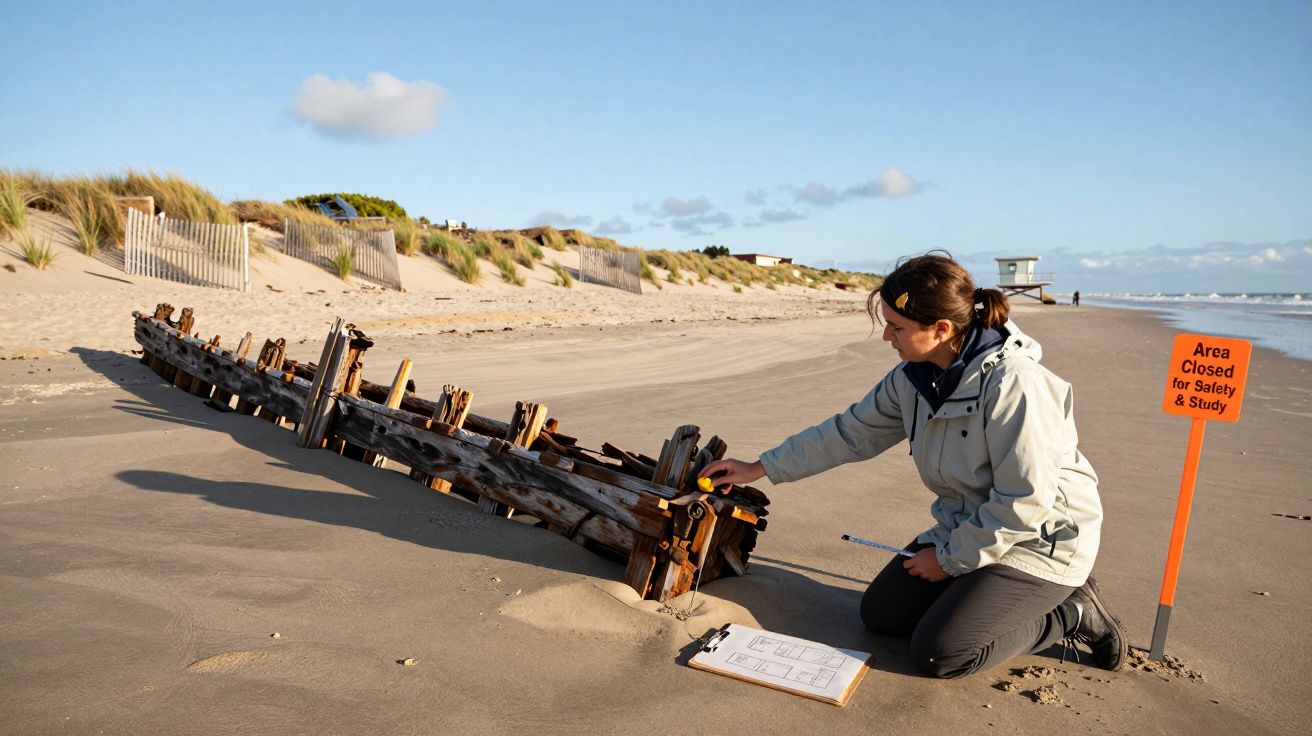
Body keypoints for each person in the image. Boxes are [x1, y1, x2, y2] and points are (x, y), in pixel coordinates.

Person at [699, 253, 1126, 679]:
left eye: (897, 327)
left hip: (1041, 541)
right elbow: (849, 433)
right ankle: (973, 588)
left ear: (941, 329)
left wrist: (948, 561)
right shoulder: (913, 378)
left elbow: (1025, 501)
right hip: (966, 526)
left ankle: (1072, 611)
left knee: (941, 654)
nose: (887, 336)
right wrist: (760, 467)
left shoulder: (1016, 385)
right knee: (882, 616)